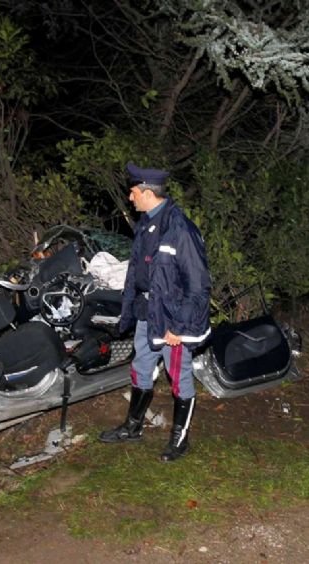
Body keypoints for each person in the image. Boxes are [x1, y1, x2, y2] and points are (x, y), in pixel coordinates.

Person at [99, 162, 211, 461]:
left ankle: (180, 439)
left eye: (133, 191)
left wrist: (180, 326)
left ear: (147, 192)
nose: (130, 196)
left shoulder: (180, 230)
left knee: (179, 376)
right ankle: (133, 427)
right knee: (140, 369)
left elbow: (198, 285)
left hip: (172, 319)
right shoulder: (146, 224)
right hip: (146, 313)